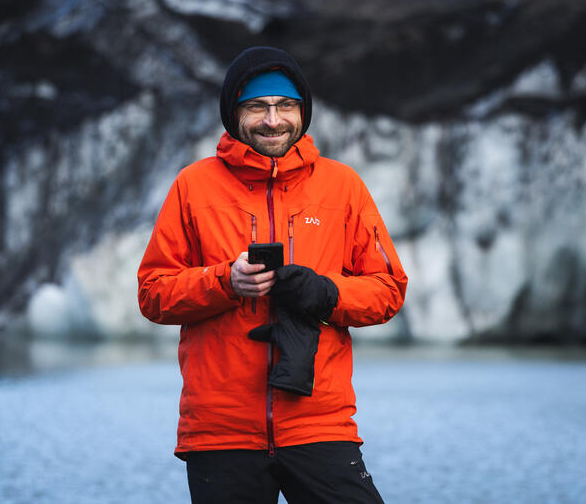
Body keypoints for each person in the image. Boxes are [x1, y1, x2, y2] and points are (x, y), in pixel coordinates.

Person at [137, 46, 408, 504]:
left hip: (318, 422)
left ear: (302, 111)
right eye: (257, 107)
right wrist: (226, 282)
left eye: (285, 106)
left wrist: (326, 292)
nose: (272, 120)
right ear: (233, 112)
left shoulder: (342, 186)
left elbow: (388, 291)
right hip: (221, 432)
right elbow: (153, 293)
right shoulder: (193, 186)